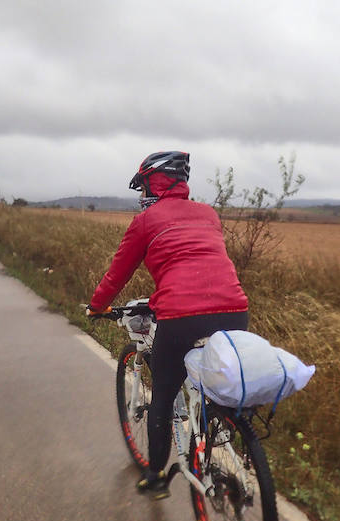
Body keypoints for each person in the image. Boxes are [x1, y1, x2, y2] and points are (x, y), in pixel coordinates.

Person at [87, 151, 249, 500]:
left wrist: (96, 307)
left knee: (163, 391)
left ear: (150, 184)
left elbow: (118, 273)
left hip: (181, 316)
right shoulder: (208, 214)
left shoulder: (146, 220)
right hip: (236, 310)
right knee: (218, 383)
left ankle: (157, 475)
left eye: (143, 186)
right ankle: (227, 427)